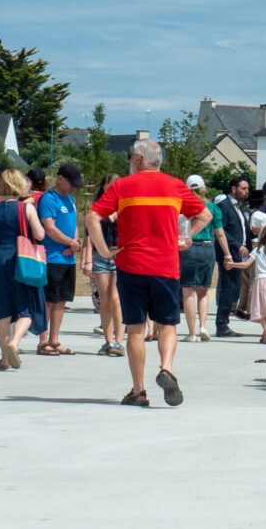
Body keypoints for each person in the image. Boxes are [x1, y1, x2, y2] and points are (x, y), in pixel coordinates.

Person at [88, 138, 207, 408]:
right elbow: (204, 215)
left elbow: (92, 217)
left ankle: (139, 391)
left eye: (130, 156)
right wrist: (184, 238)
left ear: (138, 159)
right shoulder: (175, 186)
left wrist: (104, 251)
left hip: (131, 265)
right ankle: (166, 368)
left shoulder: (121, 186)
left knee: (135, 330)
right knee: (167, 325)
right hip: (166, 265)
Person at [0, 169, 47, 371]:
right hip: (21, 260)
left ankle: (3, 359)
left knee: (2, 312)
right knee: (27, 309)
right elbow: (40, 234)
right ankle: (15, 342)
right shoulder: (25, 208)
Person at [35, 161, 83, 355]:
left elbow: (74, 224)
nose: (73, 187)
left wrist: (76, 242)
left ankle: (54, 340)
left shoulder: (70, 199)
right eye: (71, 183)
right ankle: (43, 341)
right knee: (48, 300)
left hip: (68, 259)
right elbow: (49, 228)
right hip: (52, 257)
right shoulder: (49, 199)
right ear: (60, 178)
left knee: (61, 301)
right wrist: (70, 243)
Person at [83, 175, 124, 356]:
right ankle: (108, 341)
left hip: (120, 256)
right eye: (110, 186)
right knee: (104, 300)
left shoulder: (125, 206)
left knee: (116, 299)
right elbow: (89, 235)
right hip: (101, 256)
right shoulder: (97, 208)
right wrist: (87, 259)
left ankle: (119, 341)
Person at [178, 175, 220, 342]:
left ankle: (192, 332)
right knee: (204, 290)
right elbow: (220, 233)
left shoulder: (184, 205)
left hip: (190, 246)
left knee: (188, 290)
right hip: (208, 246)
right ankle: (203, 325)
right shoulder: (213, 208)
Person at [214, 176, 253, 337]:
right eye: (243, 188)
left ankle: (224, 323)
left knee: (233, 288)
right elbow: (221, 230)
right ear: (233, 189)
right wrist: (237, 245)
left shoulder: (238, 207)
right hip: (228, 253)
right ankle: (222, 325)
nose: (246, 192)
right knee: (228, 288)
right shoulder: (224, 206)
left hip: (239, 253)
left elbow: (239, 228)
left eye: (247, 189)